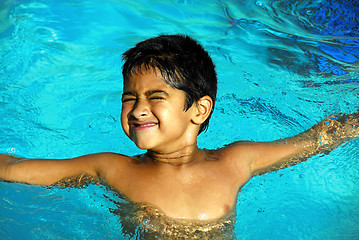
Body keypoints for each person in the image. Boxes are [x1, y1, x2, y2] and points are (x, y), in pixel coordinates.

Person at [0, 34, 358, 235]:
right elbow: (16, 170)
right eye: (130, 98)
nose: (138, 109)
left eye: (156, 98)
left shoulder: (235, 161)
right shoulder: (110, 168)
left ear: (199, 110)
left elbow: (314, 141)